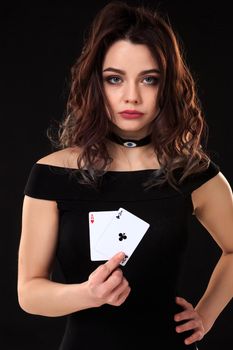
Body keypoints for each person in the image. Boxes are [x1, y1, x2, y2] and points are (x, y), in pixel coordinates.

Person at [17, 1, 233, 349]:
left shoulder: (193, 173)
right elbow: (29, 293)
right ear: (95, 85)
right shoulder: (50, 175)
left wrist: (206, 314)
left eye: (149, 79)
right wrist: (88, 293)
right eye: (114, 79)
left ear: (167, 87)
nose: (131, 96)